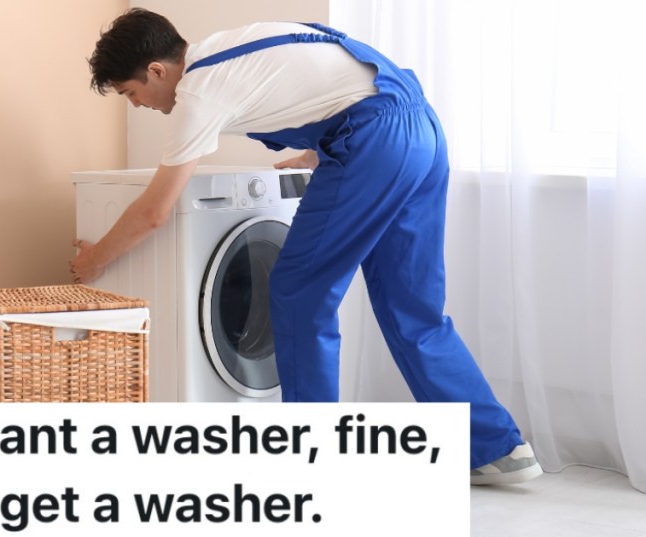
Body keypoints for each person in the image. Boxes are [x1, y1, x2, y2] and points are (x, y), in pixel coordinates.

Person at [70, 8, 541, 485]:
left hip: (374, 143)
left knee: (298, 293)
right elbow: (340, 81)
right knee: (413, 309)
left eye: (130, 93)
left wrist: (94, 259)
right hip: (420, 131)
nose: (137, 106)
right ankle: (499, 450)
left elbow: (154, 210)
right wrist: (322, 150)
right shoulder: (235, 45)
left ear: (156, 70)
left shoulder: (199, 91)